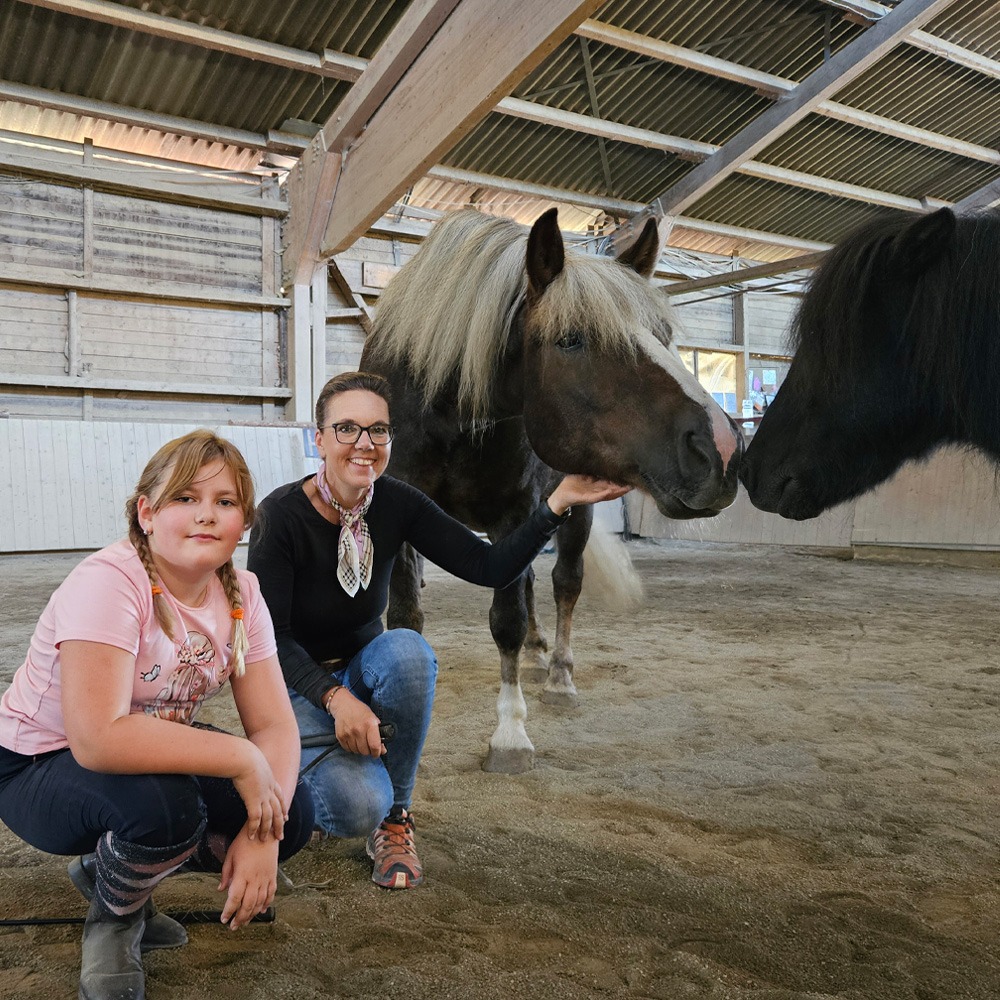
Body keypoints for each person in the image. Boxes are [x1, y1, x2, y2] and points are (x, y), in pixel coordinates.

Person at [248, 372, 630, 891]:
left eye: (378, 430)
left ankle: (395, 819)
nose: (365, 444)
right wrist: (336, 700)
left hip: (361, 676)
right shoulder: (280, 516)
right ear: (318, 439)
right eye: (347, 429)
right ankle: (307, 781)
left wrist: (556, 503)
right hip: (298, 687)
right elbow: (272, 640)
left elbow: (489, 566)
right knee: (353, 806)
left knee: (408, 651)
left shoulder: (396, 502)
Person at [0, 430, 314, 1000]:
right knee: (165, 810)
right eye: (185, 498)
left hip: (141, 752)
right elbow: (96, 739)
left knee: (292, 812)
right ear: (147, 512)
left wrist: (263, 833)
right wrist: (241, 759)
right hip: (36, 764)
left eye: (225, 502)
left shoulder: (243, 591)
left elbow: (272, 726)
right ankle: (116, 922)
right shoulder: (110, 581)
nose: (206, 515)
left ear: (243, 521)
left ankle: (110, 872)